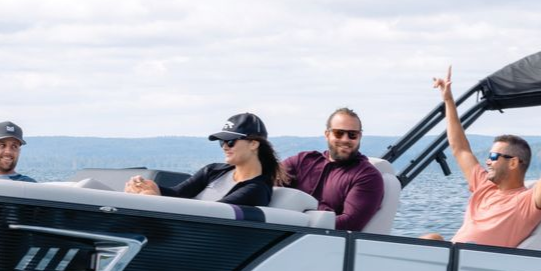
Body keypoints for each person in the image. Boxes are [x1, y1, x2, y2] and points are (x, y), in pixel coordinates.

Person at [424, 68, 541, 247]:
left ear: (513, 162)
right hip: (454, 255)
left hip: (478, 261)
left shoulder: (527, 201)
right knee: (432, 238)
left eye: (494, 156)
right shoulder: (484, 185)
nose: (488, 161)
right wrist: (448, 100)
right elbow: (460, 149)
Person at [125, 112, 281, 207]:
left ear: (253, 144)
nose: (224, 147)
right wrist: (149, 187)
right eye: (222, 142)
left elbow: (214, 213)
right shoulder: (213, 170)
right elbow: (177, 194)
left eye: (231, 142)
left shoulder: (256, 189)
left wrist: (154, 199)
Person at [283, 107, 385, 231]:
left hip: (321, 240)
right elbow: (268, 180)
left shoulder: (367, 176)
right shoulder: (302, 161)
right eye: (338, 133)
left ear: (360, 136)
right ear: (327, 135)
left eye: (352, 135)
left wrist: (294, 221)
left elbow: (350, 224)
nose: (345, 139)